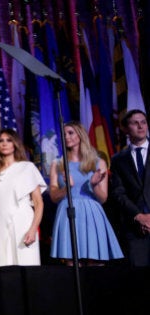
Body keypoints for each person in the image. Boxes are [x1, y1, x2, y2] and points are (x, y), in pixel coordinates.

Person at [49, 122, 123, 266]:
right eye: (64, 134)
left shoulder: (98, 162)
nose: (66, 137)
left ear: (80, 135)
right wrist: (66, 189)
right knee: (72, 263)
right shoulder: (57, 163)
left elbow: (103, 198)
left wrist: (94, 185)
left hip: (92, 215)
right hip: (67, 213)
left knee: (95, 262)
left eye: (70, 133)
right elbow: (53, 196)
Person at [0, 129, 47, 266]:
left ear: (15, 144)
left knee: (27, 264)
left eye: (9, 140)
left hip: (24, 221)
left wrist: (33, 229)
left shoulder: (27, 167)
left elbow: (38, 203)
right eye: (1, 141)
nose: (4, 144)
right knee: (4, 267)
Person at [110, 109, 150, 266]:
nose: (141, 126)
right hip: (134, 228)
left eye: (144, 122)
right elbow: (118, 193)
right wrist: (139, 216)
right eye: (135, 123)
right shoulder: (119, 159)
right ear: (126, 129)